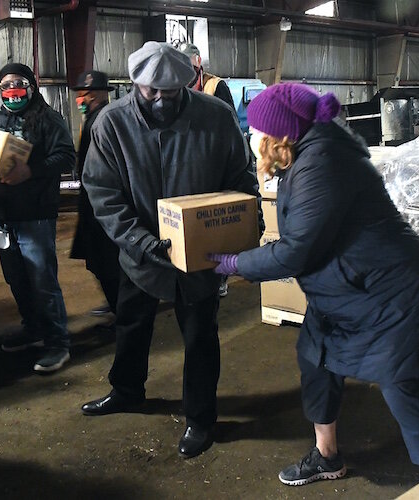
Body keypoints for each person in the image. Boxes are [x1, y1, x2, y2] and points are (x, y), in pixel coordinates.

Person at [209, 83, 419, 490]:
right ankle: (326, 455)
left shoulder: (322, 162)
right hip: (349, 292)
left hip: (390, 298)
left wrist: (235, 263)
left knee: (404, 391)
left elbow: (296, 252)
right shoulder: (310, 154)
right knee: (316, 359)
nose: (253, 138)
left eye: (257, 131)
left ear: (279, 135)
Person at [80, 41, 261, 459]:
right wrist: (140, 242)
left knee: (200, 335)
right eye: (151, 91)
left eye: (172, 90)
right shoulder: (111, 125)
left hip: (199, 256)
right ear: (135, 84)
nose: (162, 98)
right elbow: (103, 193)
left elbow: (240, 176)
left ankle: (200, 417)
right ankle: (126, 390)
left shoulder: (215, 116)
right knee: (131, 324)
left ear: (188, 82)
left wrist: (246, 223)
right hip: (140, 253)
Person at [0, 63, 76, 373]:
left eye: (18, 83)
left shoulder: (48, 119)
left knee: (42, 280)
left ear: (31, 86)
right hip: (3, 215)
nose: (12, 89)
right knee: (16, 277)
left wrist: (32, 170)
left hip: (34, 215)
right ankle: (33, 329)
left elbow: (66, 155)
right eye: (6, 85)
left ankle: (57, 343)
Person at [179, 42, 235, 298]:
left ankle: (221, 275)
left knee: (216, 226)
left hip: (215, 163)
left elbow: (229, 125)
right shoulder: (177, 87)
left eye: (189, 66)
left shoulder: (216, 86)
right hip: (188, 164)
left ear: (198, 63)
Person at [69, 70, 121, 322]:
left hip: (102, 203)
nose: (81, 99)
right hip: (92, 202)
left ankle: (121, 311)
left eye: (86, 94)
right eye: (80, 94)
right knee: (99, 260)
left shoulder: (104, 119)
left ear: (101, 94)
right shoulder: (93, 119)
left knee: (106, 262)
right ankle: (116, 305)